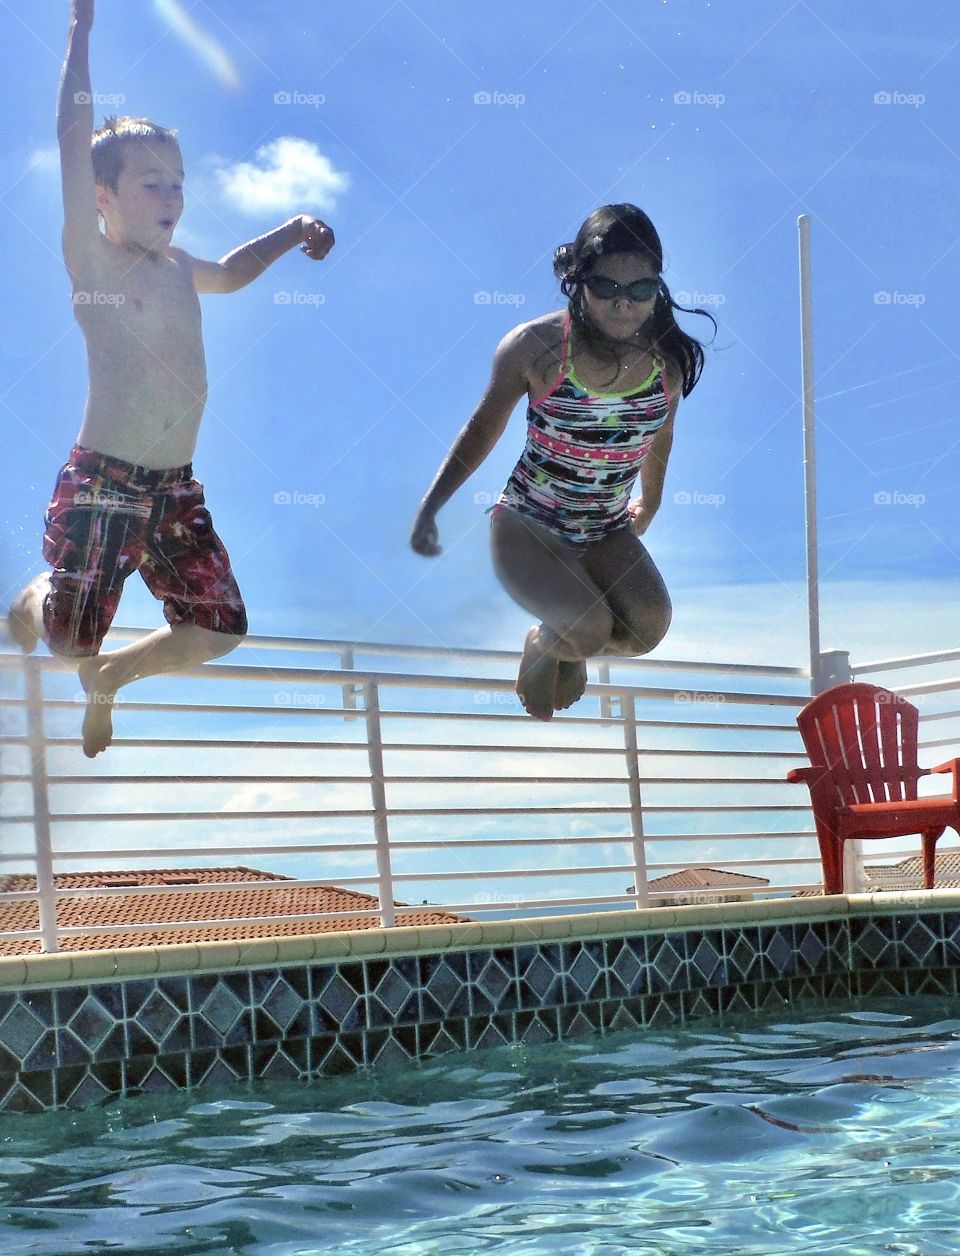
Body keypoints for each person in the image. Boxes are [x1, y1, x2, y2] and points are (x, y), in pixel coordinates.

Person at [7, 0, 335, 757]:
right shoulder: (93, 261)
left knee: (219, 628)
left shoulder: (185, 270)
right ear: (103, 198)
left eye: (178, 183)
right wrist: (79, 33)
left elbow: (236, 270)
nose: (171, 197)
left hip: (176, 489)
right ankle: (34, 601)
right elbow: (69, 138)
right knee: (64, 639)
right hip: (103, 481)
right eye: (150, 183)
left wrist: (292, 229)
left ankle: (112, 679)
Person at [410, 204, 715, 720]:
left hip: (603, 528)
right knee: (591, 626)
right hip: (526, 526)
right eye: (606, 289)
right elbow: (482, 428)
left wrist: (654, 503)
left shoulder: (667, 361)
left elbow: (660, 433)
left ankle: (561, 642)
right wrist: (431, 506)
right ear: (579, 283)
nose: (624, 306)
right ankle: (553, 640)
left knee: (647, 629)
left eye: (640, 290)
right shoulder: (537, 348)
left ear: (658, 288)